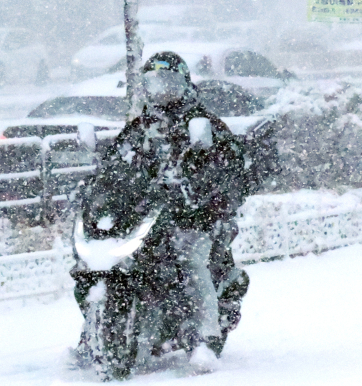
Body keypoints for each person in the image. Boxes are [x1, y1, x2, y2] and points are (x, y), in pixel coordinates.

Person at [70, 51, 278, 364]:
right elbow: (115, 163)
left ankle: (203, 340)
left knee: (190, 261)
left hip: (194, 217)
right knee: (95, 263)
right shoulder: (140, 128)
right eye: (153, 82)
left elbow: (231, 167)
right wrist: (97, 182)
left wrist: (205, 189)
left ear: (182, 83)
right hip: (148, 214)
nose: (160, 89)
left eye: (167, 82)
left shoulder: (204, 124)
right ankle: (93, 336)